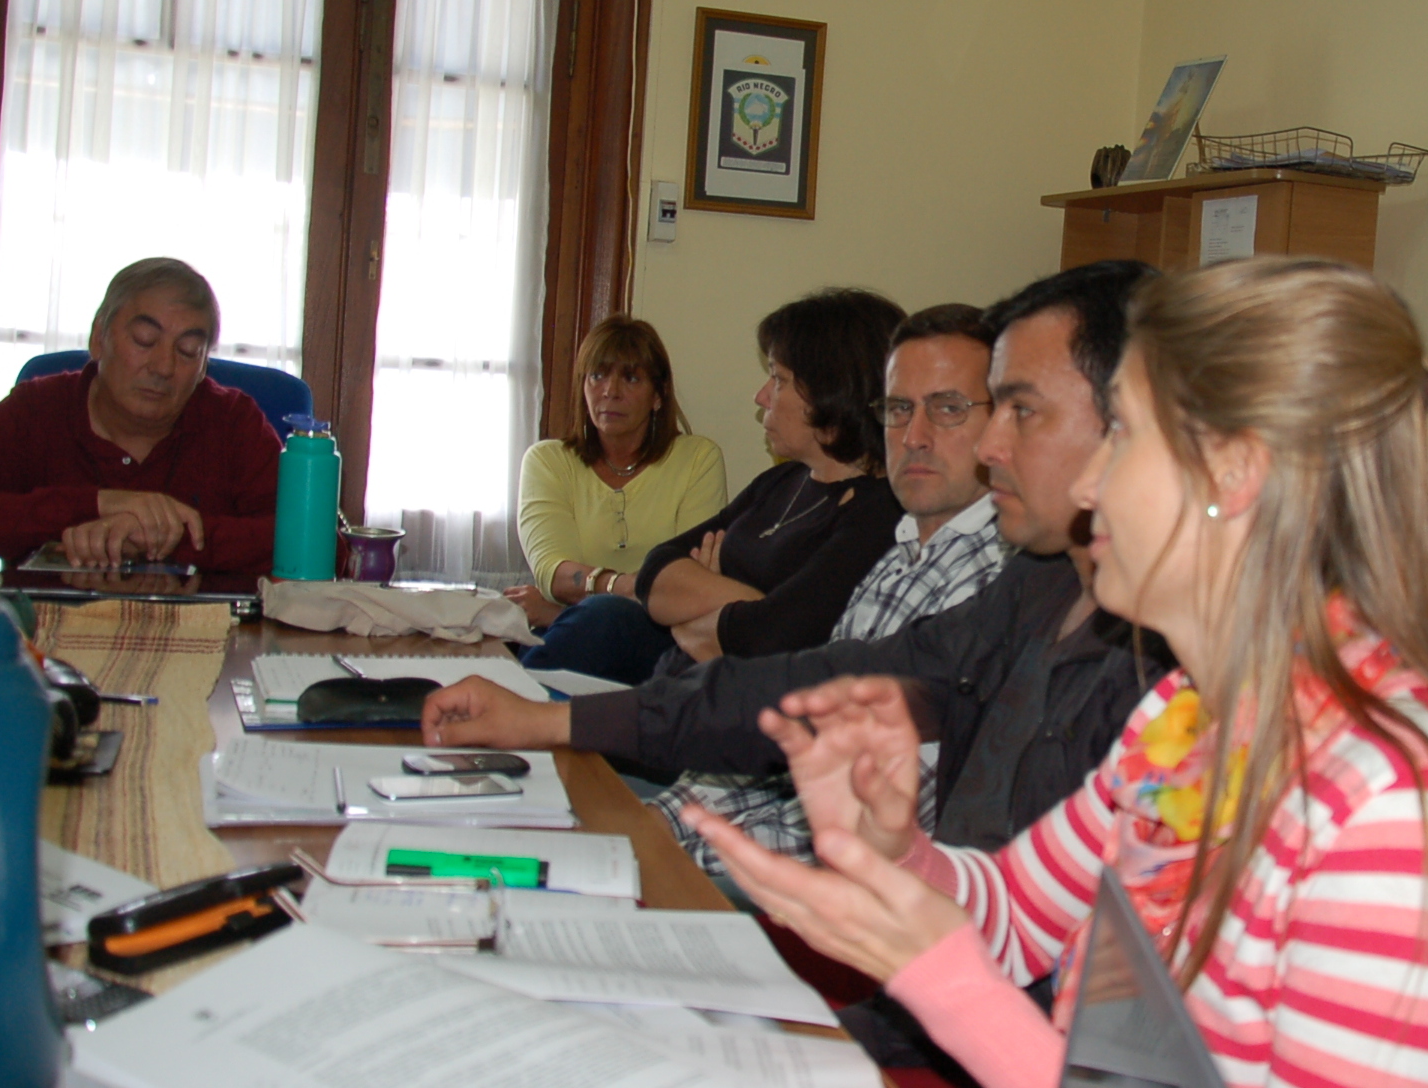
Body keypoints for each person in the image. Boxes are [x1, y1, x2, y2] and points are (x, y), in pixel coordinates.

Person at [690, 257, 1428, 1088]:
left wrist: (948, 986)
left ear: (1232, 471)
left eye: (1122, 435)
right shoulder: (1191, 722)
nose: (1089, 479)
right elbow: (1018, 913)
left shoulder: (1403, 818)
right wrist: (898, 849)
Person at [421, 262, 1160, 861]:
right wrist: (556, 726)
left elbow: (951, 885)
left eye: (1012, 412)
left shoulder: (1089, 620)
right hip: (747, 836)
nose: (986, 445)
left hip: (780, 872)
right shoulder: (1003, 579)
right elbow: (801, 684)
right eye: (897, 411)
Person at [654, 302, 1010, 872]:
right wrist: (662, 824)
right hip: (742, 833)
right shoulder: (899, 557)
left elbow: (866, 832)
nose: (914, 436)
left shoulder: (995, 581)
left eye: (947, 409)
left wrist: (677, 850)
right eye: (898, 409)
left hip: (825, 907)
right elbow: (794, 752)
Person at [0, 258, 280, 574]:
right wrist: (94, 505)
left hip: (213, 641)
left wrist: (164, 535)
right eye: (143, 340)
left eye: (188, 351)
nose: (164, 366)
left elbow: (323, 549)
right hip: (46, 639)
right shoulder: (37, 410)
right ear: (98, 338)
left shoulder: (234, 422)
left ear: (204, 367)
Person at [635, 288, 906, 676]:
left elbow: (771, 642)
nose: (761, 396)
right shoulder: (782, 481)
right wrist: (750, 605)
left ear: (831, 392)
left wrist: (701, 602)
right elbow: (655, 573)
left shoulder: (881, 513)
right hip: (676, 690)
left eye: (778, 379)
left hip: (732, 719)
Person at [510, 316, 727, 683]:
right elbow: (552, 571)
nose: (610, 391)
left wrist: (556, 610)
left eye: (630, 378)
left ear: (658, 396)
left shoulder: (697, 459)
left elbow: (688, 583)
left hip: (661, 643)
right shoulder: (547, 461)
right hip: (571, 637)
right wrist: (630, 586)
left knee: (604, 617)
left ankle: (511, 708)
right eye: (597, 376)